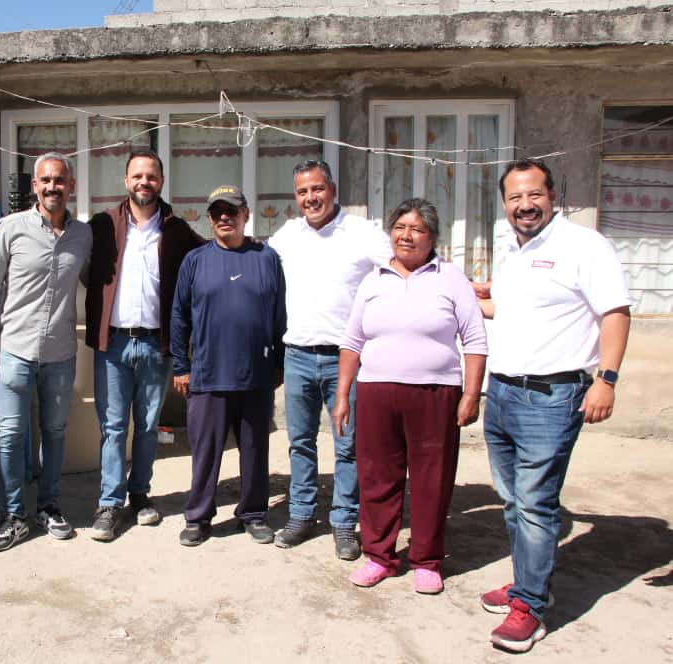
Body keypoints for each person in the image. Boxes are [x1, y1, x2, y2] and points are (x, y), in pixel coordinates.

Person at [475, 159, 631, 653]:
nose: (525, 205)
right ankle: (528, 583)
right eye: (515, 197)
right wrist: (459, 295)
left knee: (535, 504)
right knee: (513, 501)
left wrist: (606, 379)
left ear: (552, 195)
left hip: (551, 397)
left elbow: (616, 312)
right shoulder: (512, 250)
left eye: (534, 194)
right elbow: (506, 310)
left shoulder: (585, 246)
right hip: (502, 392)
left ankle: (531, 608)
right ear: (505, 203)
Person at [332, 198, 487, 593]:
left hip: (435, 393)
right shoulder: (374, 280)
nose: (406, 235)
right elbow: (352, 341)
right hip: (376, 392)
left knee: (431, 478)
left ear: (432, 237)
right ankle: (379, 556)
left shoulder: (451, 278)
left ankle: (427, 560)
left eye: (417, 229)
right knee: (376, 476)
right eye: (400, 227)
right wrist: (343, 394)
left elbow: (474, 339)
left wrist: (471, 394)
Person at [267, 159, 391, 559]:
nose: (311, 198)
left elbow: (399, 270)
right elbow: (259, 272)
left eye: (317, 189)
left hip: (346, 359)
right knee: (300, 442)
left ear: (333, 190)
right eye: (302, 192)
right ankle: (301, 515)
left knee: (348, 444)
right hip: (298, 356)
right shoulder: (287, 236)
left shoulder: (362, 233)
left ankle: (343, 522)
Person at [0, 152, 92, 552]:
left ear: (71, 186)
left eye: (60, 180)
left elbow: (98, 282)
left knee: (54, 433)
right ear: (35, 186)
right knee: (10, 436)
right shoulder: (12, 228)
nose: (53, 187)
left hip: (60, 353)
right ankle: (14, 515)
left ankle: (49, 507)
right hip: (15, 351)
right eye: (46, 180)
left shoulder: (83, 236)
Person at [85, 150, 205, 542]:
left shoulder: (177, 231)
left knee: (148, 426)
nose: (144, 182)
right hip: (113, 343)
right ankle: (109, 503)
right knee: (113, 426)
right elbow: (84, 270)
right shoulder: (103, 225)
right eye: (137, 175)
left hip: (155, 344)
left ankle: (139, 496)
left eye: (151, 176)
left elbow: (209, 258)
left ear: (161, 182)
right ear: (126, 181)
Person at [170, 185, 286, 547]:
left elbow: (279, 314)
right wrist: (180, 366)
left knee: (255, 451)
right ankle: (198, 517)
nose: (225, 217)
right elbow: (179, 316)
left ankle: (253, 514)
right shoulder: (195, 260)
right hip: (207, 375)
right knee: (205, 454)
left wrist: (279, 364)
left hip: (256, 376)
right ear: (208, 218)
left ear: (246, 215)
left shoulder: (267, 258)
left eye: (232, 210)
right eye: (217, 211)